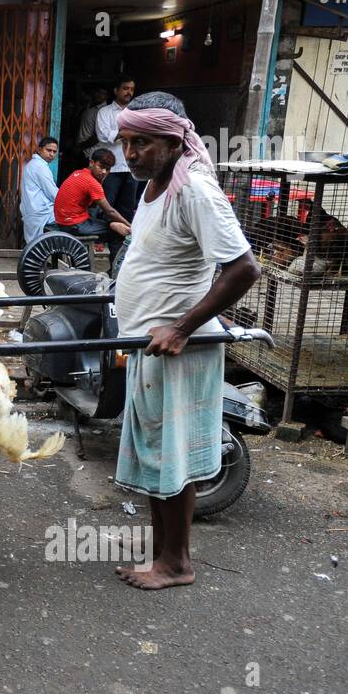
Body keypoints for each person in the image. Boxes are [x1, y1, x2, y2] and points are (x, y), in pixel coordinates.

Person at [111, 91, 260, 590]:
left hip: (177, 347)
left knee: (170, 456)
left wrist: (181, 328)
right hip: (149, 346)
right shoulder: (156, 187)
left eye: (143, 143)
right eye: (125, 142)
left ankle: (176, 564)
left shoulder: (194, 189)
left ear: (174, 141)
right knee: (159, 456)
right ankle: (165, 555)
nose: (130, 153)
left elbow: (244, 269)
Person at [53, 147, 132, 265]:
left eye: (107, 169)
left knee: (99, 213)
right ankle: (114, 271)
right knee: (118, 233)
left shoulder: (78, 173)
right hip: (73, 224)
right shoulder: (91, 182)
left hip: (64, 219)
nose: (104, 172)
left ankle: (111, 224)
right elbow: (110, 211)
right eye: (101, 167)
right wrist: (129, 226)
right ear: (91, 163)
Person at [94, 75, 138, 222]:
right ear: (116, 90)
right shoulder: (104, 112)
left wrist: (124, 135)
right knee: (107, 206)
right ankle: (103, 241)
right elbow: (103, 136)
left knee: (127, 207)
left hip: (132, 167)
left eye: (131, 89)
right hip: (111, 168)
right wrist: (126, 133)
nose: (129, 92)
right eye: (125, 88)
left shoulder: (136, 113)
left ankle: (123, 241)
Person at [20, 136, 59, 246]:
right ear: (40, 149)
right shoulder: (40, 167)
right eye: (48, 150)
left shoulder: (33, 164)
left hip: (33, 212)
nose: (51, 154)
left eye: (54, 152)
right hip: (41, 213)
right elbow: (53, 194)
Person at [76, 87, 109, 157]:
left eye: (103, 94)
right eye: (98, 92)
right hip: (82, 150)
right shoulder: (89, 106)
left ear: (107, 96)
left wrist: (80, 147)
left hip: (91, 153)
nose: (99, 95)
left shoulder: (104, 111)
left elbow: (98, 136)